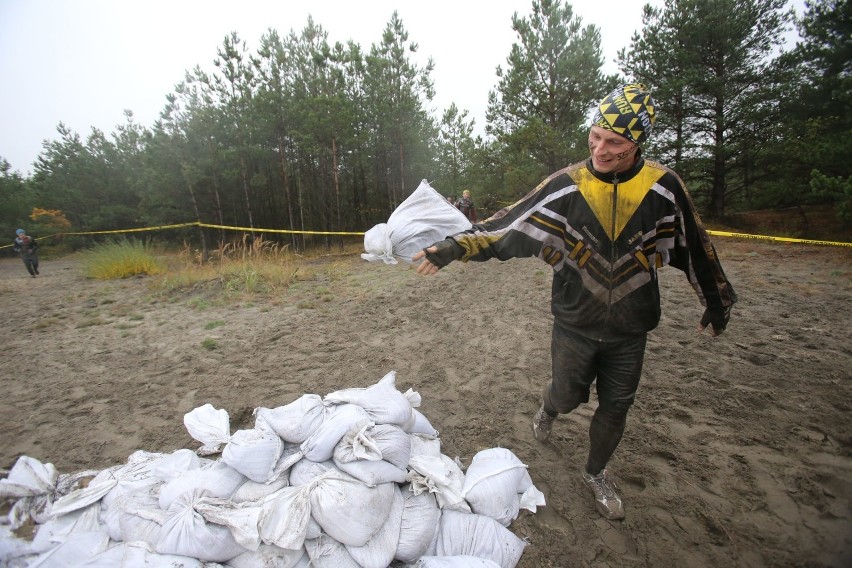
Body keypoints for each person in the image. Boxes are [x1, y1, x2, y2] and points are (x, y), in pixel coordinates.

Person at [413, 84, 736, 520]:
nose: (600, 150)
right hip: (574, 322)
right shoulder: (568, 185)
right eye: (595, 137)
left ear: (637, 143)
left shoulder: (664, 187)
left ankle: (596, 472)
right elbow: (509, 224)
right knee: (567, 396)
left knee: (617, 405)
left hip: (631, 327)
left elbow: (696, 243)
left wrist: (716, 302)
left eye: (615, 143)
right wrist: (454, 248)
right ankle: (549, 408)